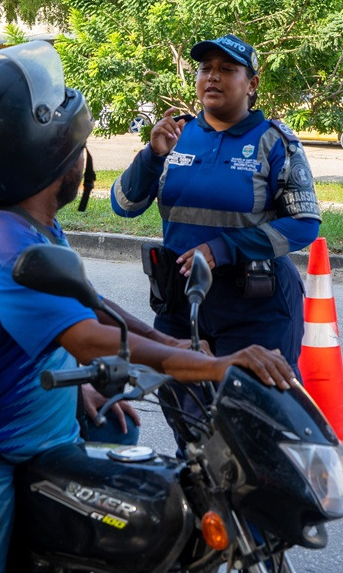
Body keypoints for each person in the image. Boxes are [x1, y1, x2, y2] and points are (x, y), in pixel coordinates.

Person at [0, 41, 297, 573]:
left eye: (228, 70)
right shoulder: (8, 246)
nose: (84, 157)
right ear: (51, 162)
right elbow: (89, 336)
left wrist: (176, 345)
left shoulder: (30, 223)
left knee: (140, 478)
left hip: (50, 423)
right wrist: (214, 364)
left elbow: (91, 301)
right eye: (79, 146)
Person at [110, 34, 321, 377]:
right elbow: (124, 205)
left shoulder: (275, 141)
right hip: (180, 304)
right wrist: (152, 156)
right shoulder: (177, 134)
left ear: (251, 84)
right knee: (186, 413)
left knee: (254, 415)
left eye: (226, 69)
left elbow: (304, 224)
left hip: (253, 307)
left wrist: (222, 249)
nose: (212, 76)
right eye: (205, 68)